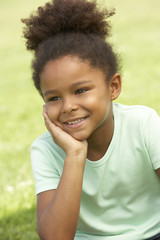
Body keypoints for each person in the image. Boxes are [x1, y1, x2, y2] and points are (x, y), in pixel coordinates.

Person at [22, 0, 160, 239]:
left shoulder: (143, 123)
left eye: (80, 90)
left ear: (113, 87)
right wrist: (75, 155)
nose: (68, 107)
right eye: (54, 97)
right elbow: (55, 237)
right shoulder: (44, 149)